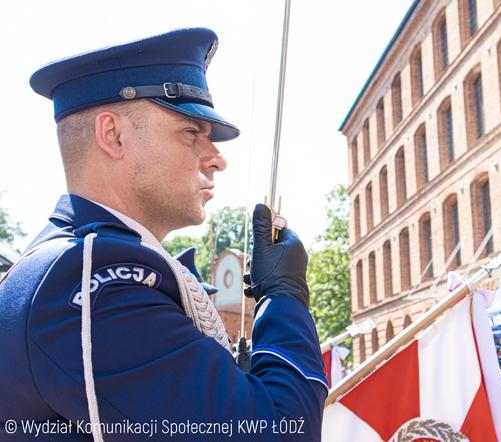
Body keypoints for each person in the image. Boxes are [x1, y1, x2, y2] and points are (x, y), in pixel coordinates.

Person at [0, 29, 327, 441]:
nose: (217, 158)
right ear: (113, 135)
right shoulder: (91, 278)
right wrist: (285, 298)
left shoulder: (72, 266)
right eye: (192, 132)